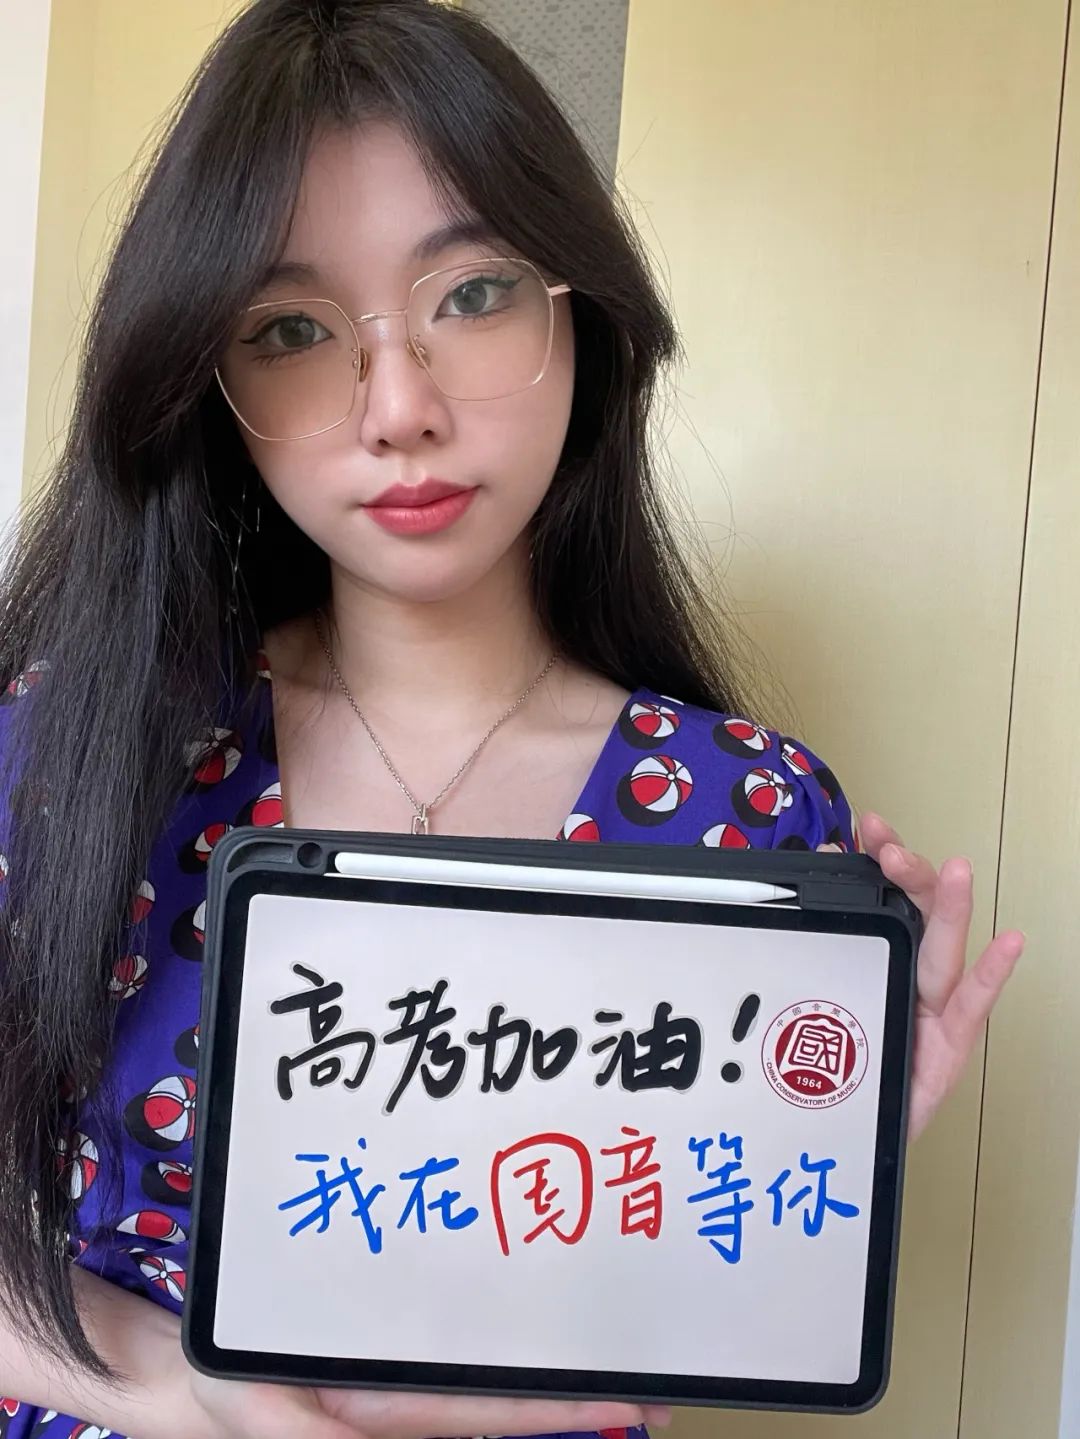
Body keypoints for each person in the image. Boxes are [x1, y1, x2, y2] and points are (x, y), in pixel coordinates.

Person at [0, 2, 1023, 1437]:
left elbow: (679, 1320)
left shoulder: (741, 813)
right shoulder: (72, 750)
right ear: (207, 382)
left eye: (472, 293)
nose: (399, 406)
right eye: (291, 330)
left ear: (579, 316)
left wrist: (819, 1179)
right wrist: (188, 1389)